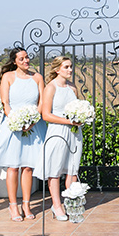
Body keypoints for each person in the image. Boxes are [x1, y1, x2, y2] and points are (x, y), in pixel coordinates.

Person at [0, 48, 46, 221]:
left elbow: (42, 101)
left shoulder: (37, 77)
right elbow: (5, 102)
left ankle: (26, 204)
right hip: (13, 125)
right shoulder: (8, 77)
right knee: (13, 166)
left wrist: (33, 121)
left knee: (28, 167)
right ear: (14, 61)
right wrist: (17, 121)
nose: (26, 61)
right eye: (21, 58)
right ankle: (13, 205)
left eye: (27, 57)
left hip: (34, 126)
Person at [41, 56, 82, 221]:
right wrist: (68, 121)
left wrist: (81, 118)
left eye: (71, 66)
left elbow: (78, 107)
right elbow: (46, 114)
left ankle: (71, 203)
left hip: (74, 133)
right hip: (58, 132)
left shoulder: (72, 88)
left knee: (72, 170)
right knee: (55, 170)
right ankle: (56, 205)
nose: (70, 70)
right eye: (66, 67)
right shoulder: (51, 88)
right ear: (57, 69)